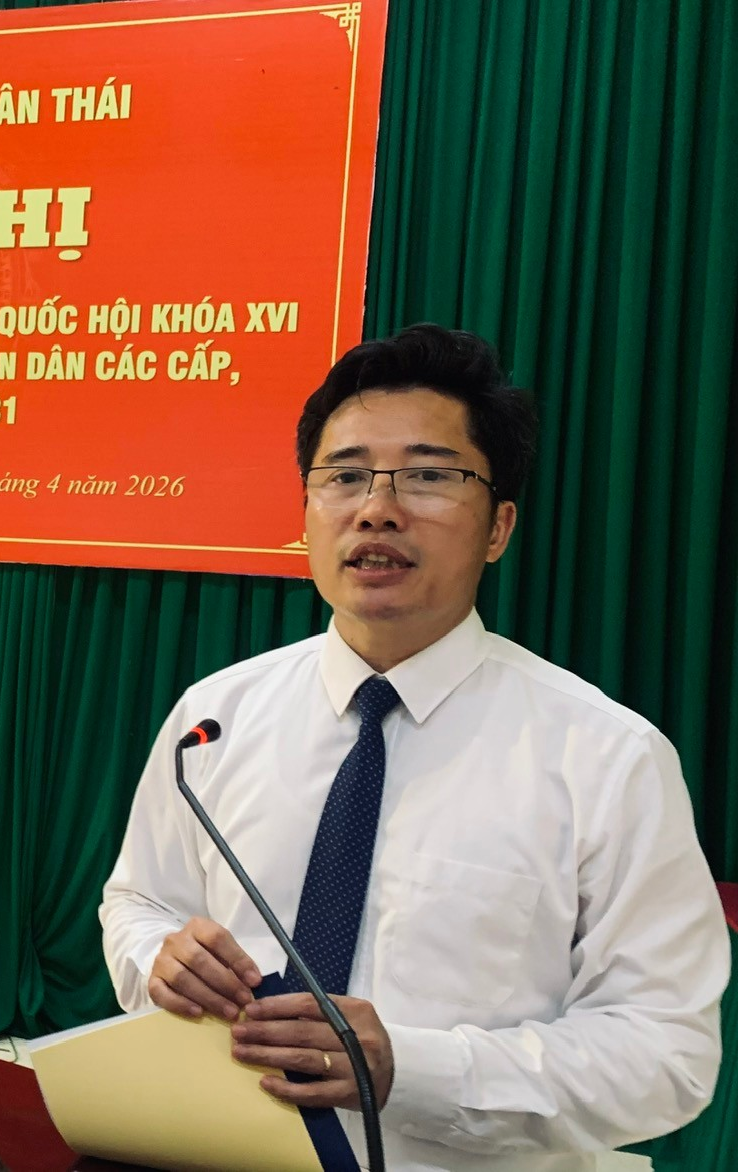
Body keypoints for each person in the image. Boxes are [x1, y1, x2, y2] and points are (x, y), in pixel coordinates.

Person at [99, 324, 728, 1171]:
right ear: (306, 513)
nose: (377, 509)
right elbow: (139, 902)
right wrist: (157, 960)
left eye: (429, 476)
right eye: (345, 476)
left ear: (499, 528)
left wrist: (413, 1068)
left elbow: (667, 1056)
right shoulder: (215, 716)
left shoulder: (607, 757)